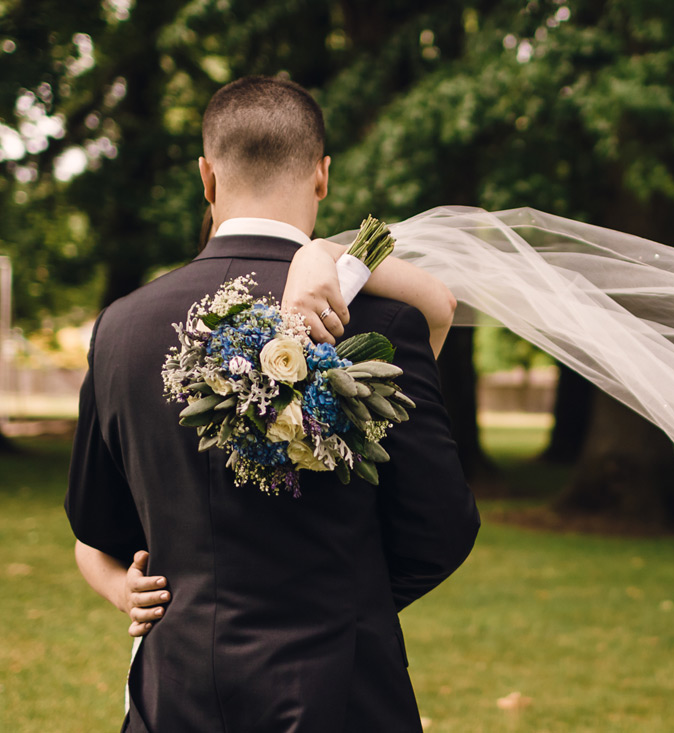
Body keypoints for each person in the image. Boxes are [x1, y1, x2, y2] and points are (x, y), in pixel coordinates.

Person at [66, 76, 480, 731]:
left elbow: (99, 520)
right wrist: (351, 604)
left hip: (174, 698)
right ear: (321, 176)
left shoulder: (120, 328)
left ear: (206, 177)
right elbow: (442, 528)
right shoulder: (383, 322)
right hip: (343, 695)